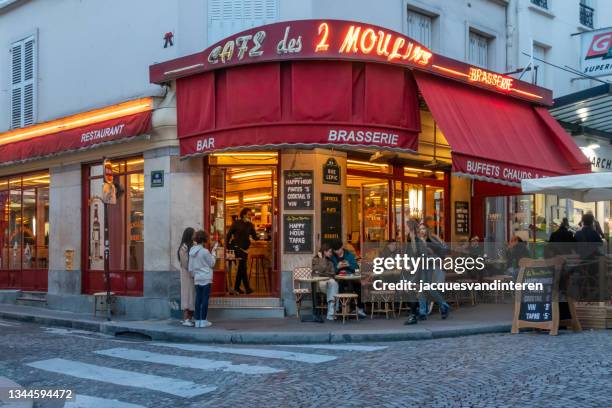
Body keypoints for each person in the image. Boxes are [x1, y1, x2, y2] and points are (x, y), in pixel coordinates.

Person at [417, 222, 451, 319]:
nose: (421, 230)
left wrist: (434, 255)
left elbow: (444, 248)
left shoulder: (431, 240)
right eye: (420, 228)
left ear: (427, 230)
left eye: (423, 228)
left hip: (430, 266)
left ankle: (444, 305)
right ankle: (423, 312)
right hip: (420, 266)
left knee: (428, 288)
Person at [188, 230, 218, 328]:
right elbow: (212, 263)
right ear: (204, 239)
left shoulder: (191, 251)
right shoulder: (205, 252)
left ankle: (197, 321)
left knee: (198, 299)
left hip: (197, 278)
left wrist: (194, 275)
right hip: (206, 277)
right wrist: (213, 253)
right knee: (205, 299)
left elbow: (190, 267)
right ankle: (203, 321)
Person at [330, 239, 366, 318]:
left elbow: (356, 268)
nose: (337, 252)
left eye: (338, 250)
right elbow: (330, 271)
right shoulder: (332, 257)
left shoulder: (349, 255)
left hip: (350, 277)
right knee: (343, 285)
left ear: (342, 247)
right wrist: (337, 267)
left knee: (358, 286)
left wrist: (349, 264)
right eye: (335, 250)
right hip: (338, 279)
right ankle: (343, 308)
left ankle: (359, 308)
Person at [226, 207, 258, 294]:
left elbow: (255, 237)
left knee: (242, 268)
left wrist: (259, 235)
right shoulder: (236, 223)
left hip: (245, 250)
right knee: (243, 267)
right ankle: (247, 288)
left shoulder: (250, 225)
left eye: (250, 215)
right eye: (248, 214)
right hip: (236, 248)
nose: (250, 216)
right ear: (243, 215)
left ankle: (236, 287)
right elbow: (228, 235)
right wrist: (228, 246)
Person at [404, 219, 425, 325]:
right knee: (409, 292)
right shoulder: (410, 240)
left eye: (406, 226)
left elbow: (421, 256)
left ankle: (413, 315)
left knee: (411, 291)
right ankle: (415, 312)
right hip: (412, 270)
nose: (404, 228)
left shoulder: (417, 241)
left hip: (415, 271)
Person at [312, 242, 339, 321]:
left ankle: (331, 313)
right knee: (334, 285)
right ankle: (332, 312)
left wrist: (323, 273)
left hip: (329, 282)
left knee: (333, 283)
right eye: (330, 251)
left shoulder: (330, 262)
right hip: (319, 283)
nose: (331, 253)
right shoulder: (315, 260)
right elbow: (319, 270)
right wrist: (322, 260)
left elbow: (333, 273)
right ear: (324, 251)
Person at [177, 227, 196, 327]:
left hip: (191, 275)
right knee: (187, 295)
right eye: (194, 233)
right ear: (189, 235)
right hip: (186, 275)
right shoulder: (184, 247)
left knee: (191, 295)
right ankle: (185, 318)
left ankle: (190, 317)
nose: (195, 235)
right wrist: (192, 269)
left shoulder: (192, 245)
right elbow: (185, 263)